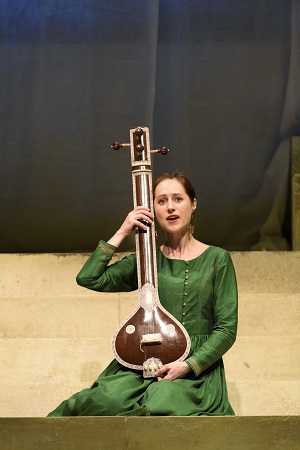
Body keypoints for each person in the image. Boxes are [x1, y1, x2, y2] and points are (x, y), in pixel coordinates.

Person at [48, 171, 238, 416]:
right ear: (152, 210)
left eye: (178, 199)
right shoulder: (147, 260)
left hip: (193, 370)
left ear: (193, 204)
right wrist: (123, 230)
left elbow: (226, 329)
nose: (170, 207)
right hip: (141, 364)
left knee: (162, 402)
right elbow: (89, 278)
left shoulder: (217, 259)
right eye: (161, 201)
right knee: (103, 401)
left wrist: (188, 365)